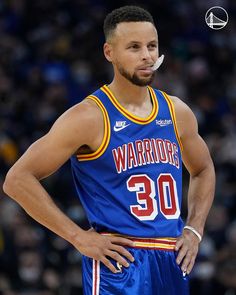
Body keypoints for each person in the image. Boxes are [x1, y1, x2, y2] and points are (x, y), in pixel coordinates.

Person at [3, 5, 215, 295]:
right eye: (134, 47)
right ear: (109, 53)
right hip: (120, 263)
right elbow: (17, 180)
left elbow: (203, 169)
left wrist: (194, 229)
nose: (147, 56)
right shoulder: (88, 116)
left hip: (172, 258)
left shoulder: (177, 111)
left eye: (152, 46)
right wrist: (77, 237)